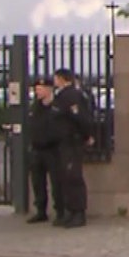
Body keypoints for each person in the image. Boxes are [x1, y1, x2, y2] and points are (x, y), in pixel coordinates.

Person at [48, 67, 94, 228]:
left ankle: (78, 213)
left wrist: (87, 135)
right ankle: (70, 211)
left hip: (72, 142)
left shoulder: (72, 95)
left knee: (73, 177)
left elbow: (80, 118)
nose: (54, 81)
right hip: (64, 142)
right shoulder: (62, 96)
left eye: (56, 78)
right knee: (66, 178)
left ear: (62, 79)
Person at [25, 77, 62, 224]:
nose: (37, 92)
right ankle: (41, 211)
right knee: (38, 182)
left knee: (57, 182)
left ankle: (60, 211)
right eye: (36, 89)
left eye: (40, 89)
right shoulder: (35, 106)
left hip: (53, 149)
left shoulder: (57, 106)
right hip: (37, 149)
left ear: (49, 89)